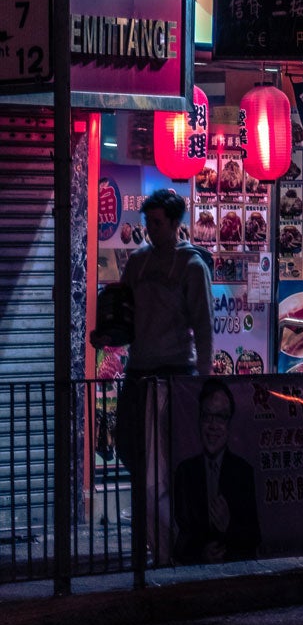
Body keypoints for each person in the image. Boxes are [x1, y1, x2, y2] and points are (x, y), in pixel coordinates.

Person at [105, 188, 213, 479]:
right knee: (129, 444)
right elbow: (122, 309)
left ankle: (171, 518)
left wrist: (204, 379)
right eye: (148, 222)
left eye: (157, 223)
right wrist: (107, 335)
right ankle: (144, 514)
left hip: (175, 370)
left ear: (175, 224)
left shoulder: (192, 265)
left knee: (173, 450)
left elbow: (203, 326)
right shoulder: (139, 262)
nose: (150, 230)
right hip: (139, 368)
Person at [171, 380, 260, 563]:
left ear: (229, 424)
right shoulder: (185, 472)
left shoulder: (243, 472)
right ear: (199, 420)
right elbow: (178, 533)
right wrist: (200, 553)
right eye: (207, 416)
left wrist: (229, 526)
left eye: (220, 417)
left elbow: (254, 537)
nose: (212, 425)